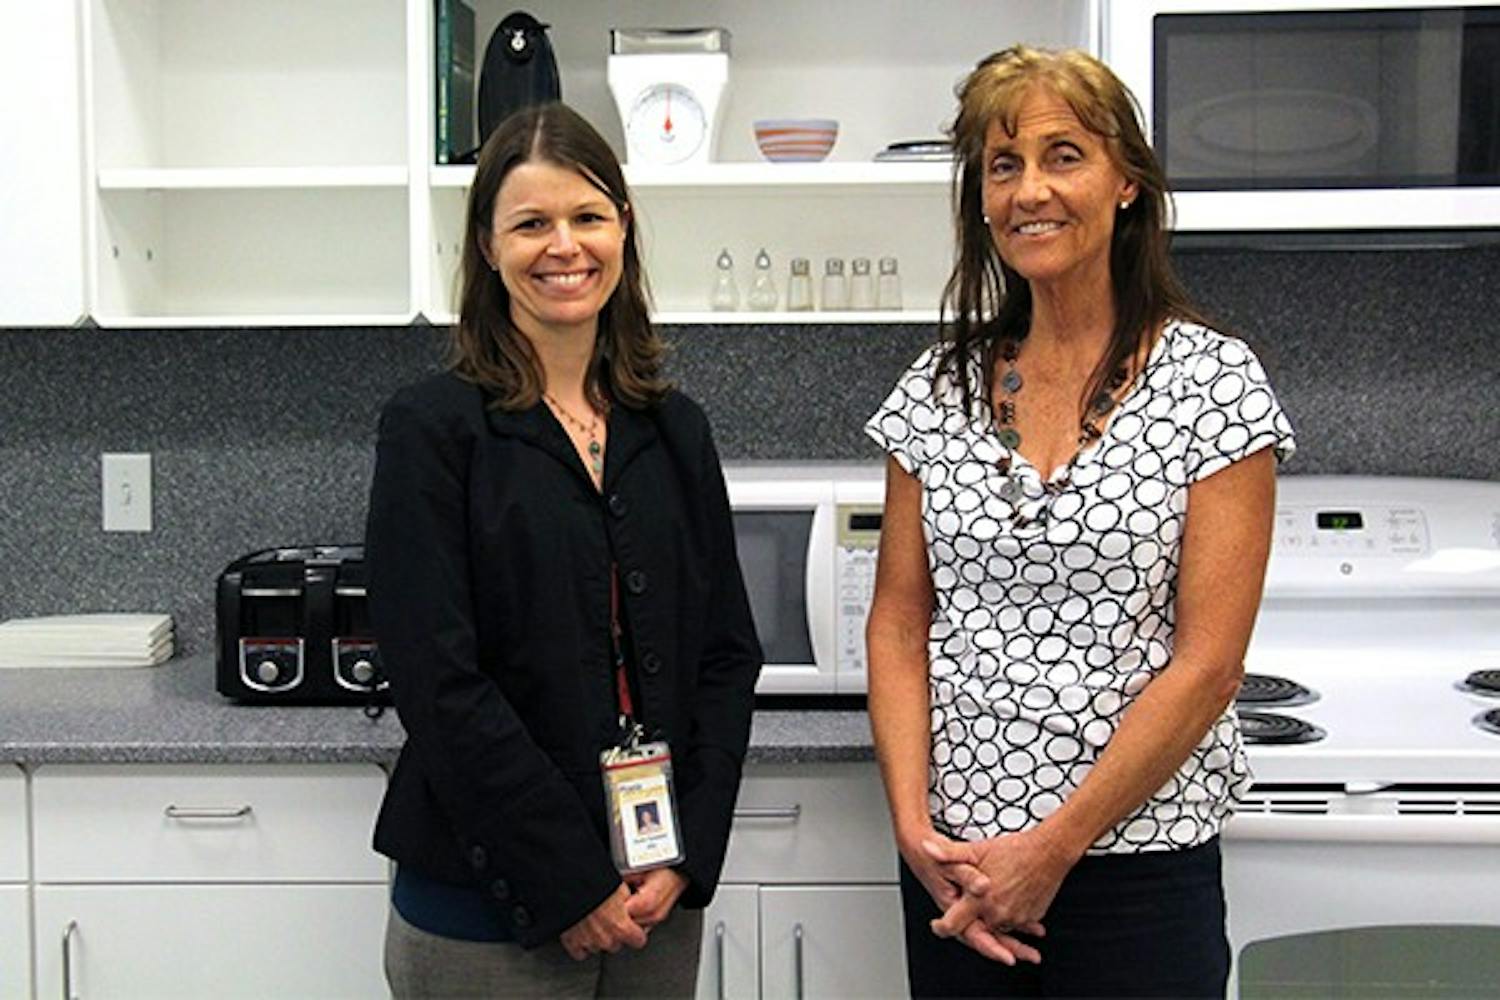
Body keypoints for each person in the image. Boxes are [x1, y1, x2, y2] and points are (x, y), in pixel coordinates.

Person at [864, 45, 1295, 999]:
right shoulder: (934, 390)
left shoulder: (1214, 386)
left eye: (1065, 156)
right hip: (957, 867)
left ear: (1126, 184)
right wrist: (911, 826)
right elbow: (899, 621)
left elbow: (1209, 664)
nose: (1030, 191)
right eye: (1003, 163)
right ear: (979, 196)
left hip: (1137, 865)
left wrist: (1054, 847)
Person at [366, 102, 762, 999]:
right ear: (487, 245)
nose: (565, 247)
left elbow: (727, 657)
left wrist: (687, 853)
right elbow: (438, 681)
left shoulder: (673, 429)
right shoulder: (433, 429)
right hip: (485, 897)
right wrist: (568, 879)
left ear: (623, 228)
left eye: (588, 217)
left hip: (655, 894)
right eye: (531, 223)